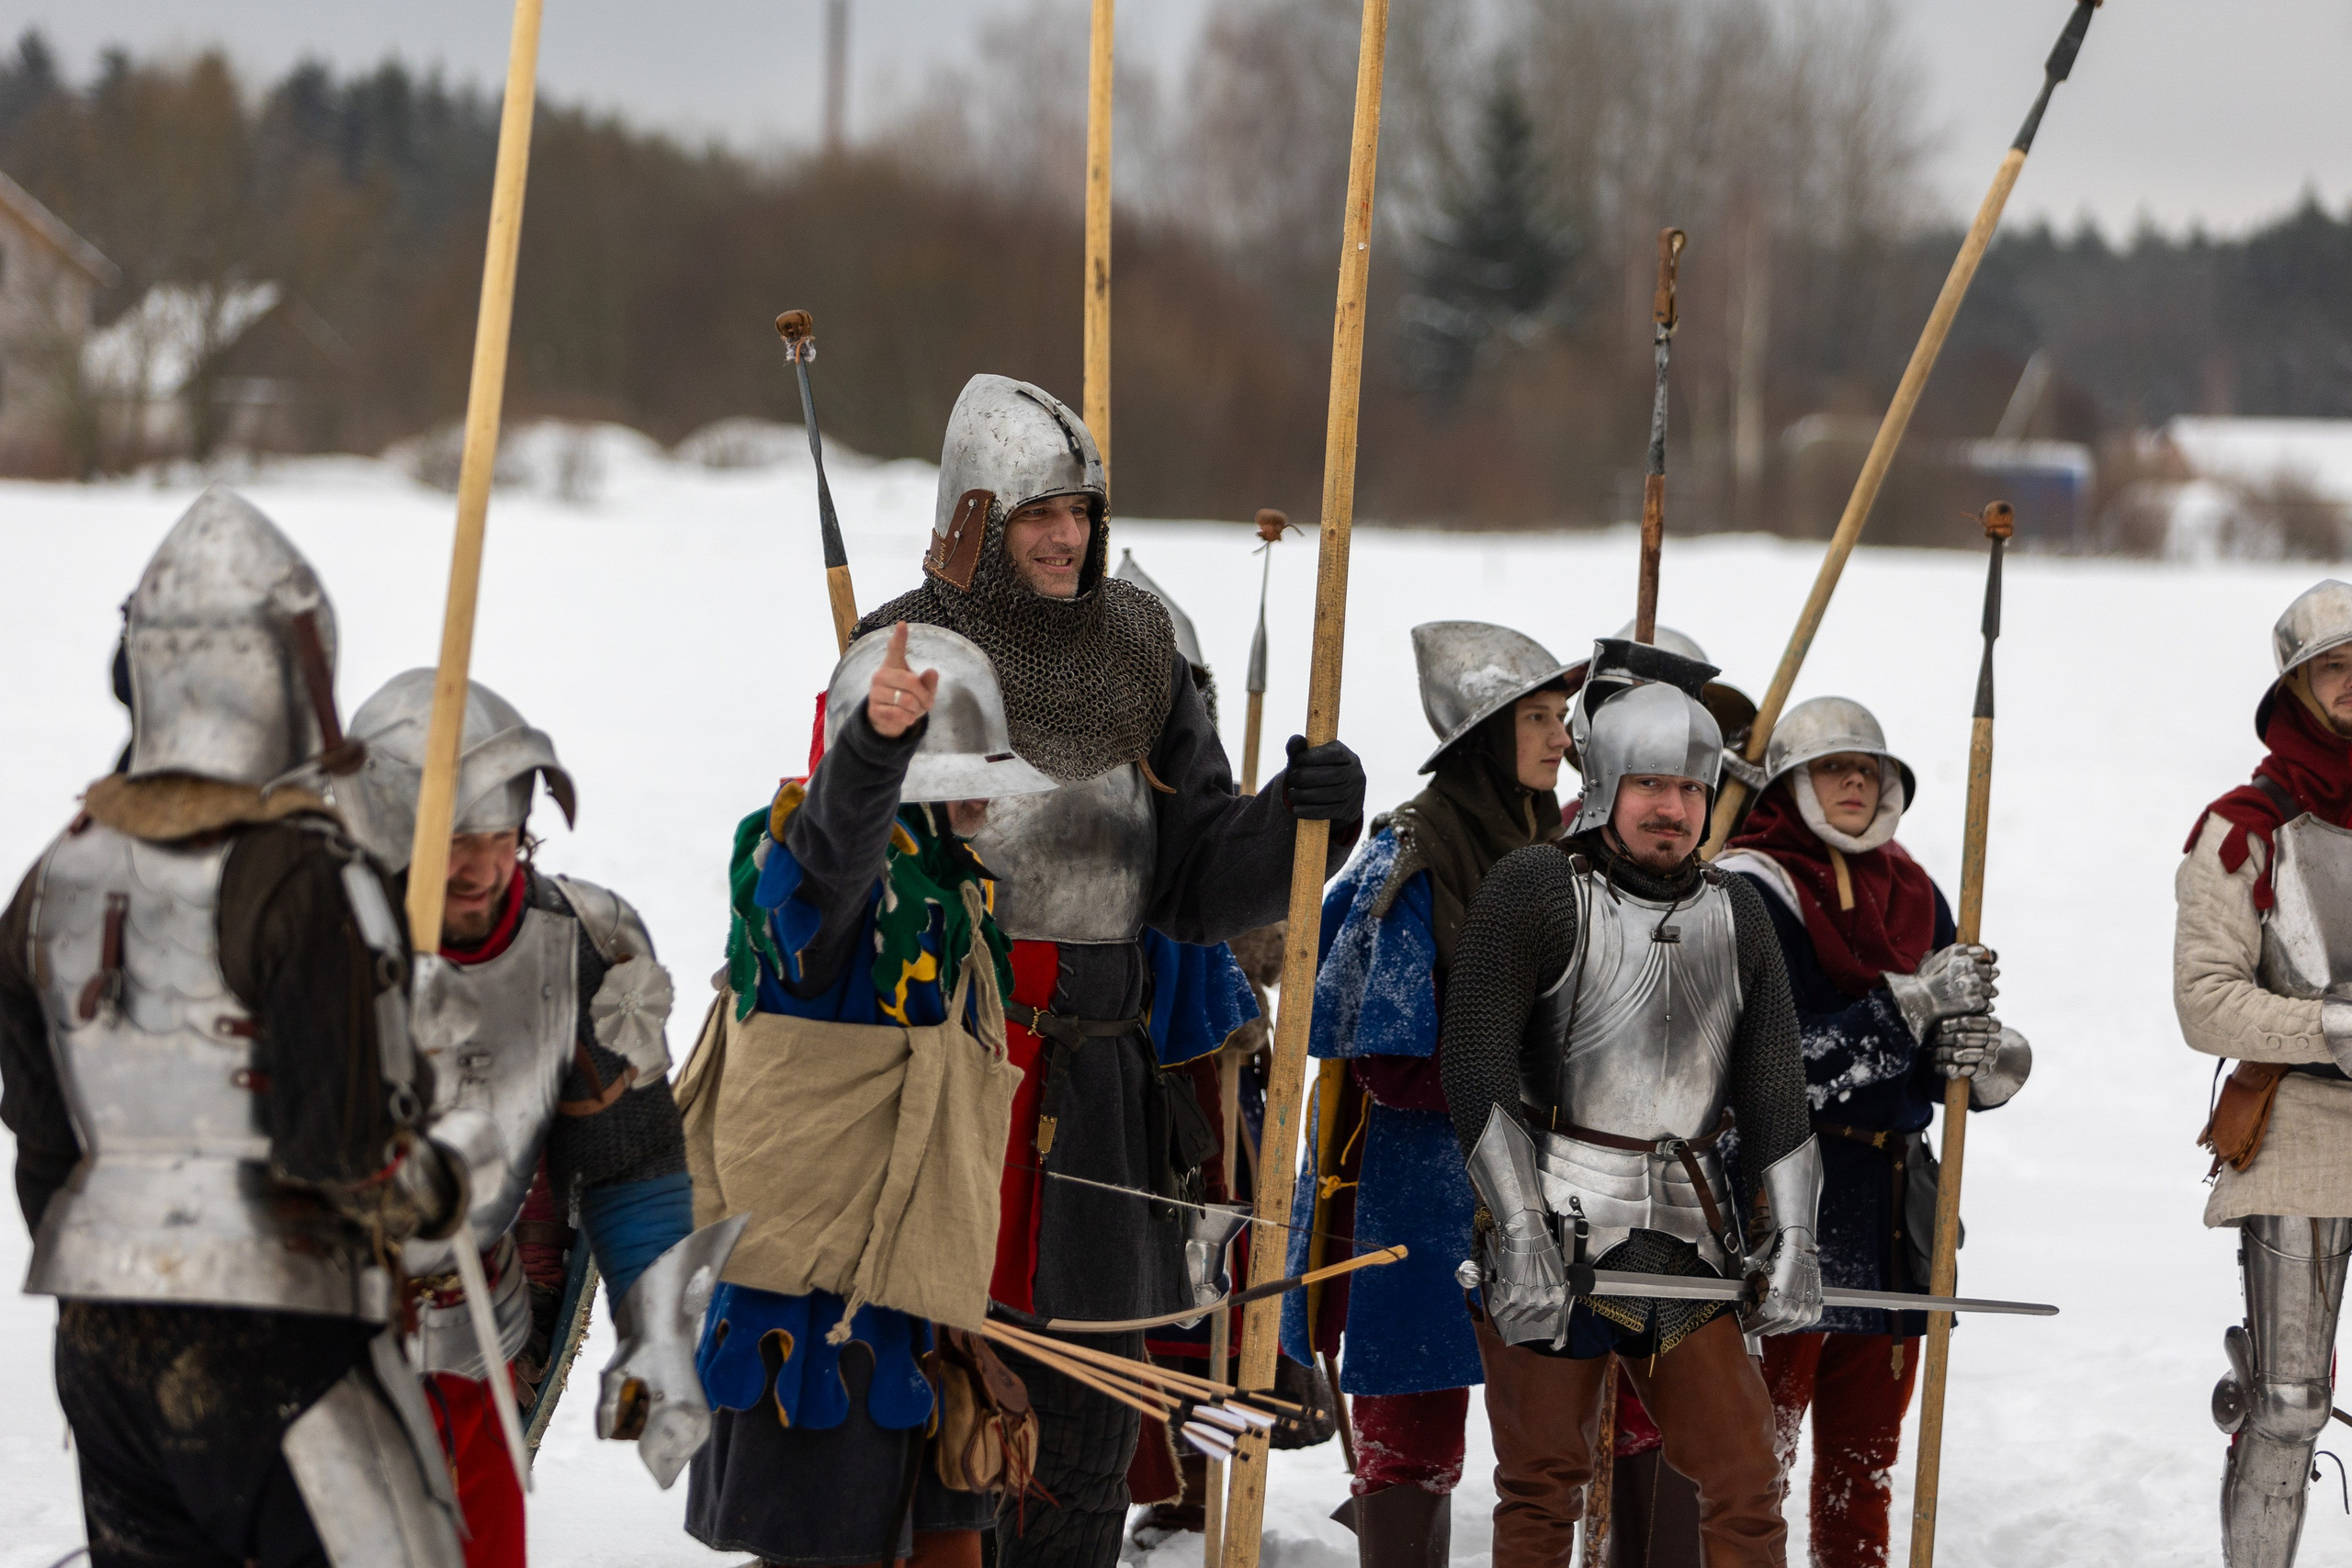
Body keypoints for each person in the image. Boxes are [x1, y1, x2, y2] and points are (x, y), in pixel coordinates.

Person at [854, 373, 1366, 1568]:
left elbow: (1196, 879)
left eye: (1082, 511)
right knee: (937, 1412)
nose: (1068, 535)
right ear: (974, 515)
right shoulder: (903, 650)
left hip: (1097, 1090)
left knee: (1085, 1421)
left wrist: (1302, 817)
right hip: (947, 1072)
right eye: (1040, 511)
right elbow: (837, 868)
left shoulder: (1141, 654)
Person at [0, 488, 501, 1568]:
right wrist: (447, 1160)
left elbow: (45, 1148)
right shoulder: (306, 875)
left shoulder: (55, 874)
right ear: (291, 669)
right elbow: (344, 1158)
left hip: (101, 1334)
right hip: (284, 1339)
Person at [1438, 641, 1822, 1568]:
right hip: (1557, 1224)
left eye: (1690, 790)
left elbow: (1776, 1086)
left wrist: (1797, 1242)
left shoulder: (1737, 911)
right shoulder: (1535, 886)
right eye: (1652, 785)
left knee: (1743, 1476)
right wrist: (1519, 1228)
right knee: (1539, 1486)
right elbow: (1475, 1058)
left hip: (1677, 1241)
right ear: (1607, 786)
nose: (1673, 808)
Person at [684, 620, 1058, 1568]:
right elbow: (826, 858)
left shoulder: (949, 887)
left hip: (917, 1289)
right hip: (815, 1311)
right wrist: (872, 755)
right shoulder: (827, 896)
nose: (985, 792)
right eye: (964, 767)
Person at [338, 670, 729, 1565]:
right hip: (306, 1334)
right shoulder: (298, 935)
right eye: (448, 836)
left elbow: (629, 1162)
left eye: (497, 833)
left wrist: (658, 1324)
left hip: (474, 1328)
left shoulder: (586, 945)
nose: (477, 863)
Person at [1280, 621, 1572, 1568]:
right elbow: (1385, 1060)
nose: (1561, 737)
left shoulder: (1574, 854)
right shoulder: (1405, 862)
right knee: (1411, 1441)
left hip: (1559, 1184)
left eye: (1562, 716)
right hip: (1423, 1186)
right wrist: (1519, 1058)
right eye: (1537, 717)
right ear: (1484, 732)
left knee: (1576, 1424)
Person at [1713, 696, 2024, 1567]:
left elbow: (1925, 1064)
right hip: (1778, 1210)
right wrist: (1907, 1008)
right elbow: (1773, 1069)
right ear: (1787, 783)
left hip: (1890, 1212)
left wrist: (1969, 1058)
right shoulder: (1745, 889)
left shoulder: (1920, 893)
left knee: (1864, 1470)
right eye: (1832, 767)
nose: (1856, 780)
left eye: (1870, 769)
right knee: (1749, 1470)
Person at [2178, 579, 2352, 1567]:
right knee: (2288, 1404)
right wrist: (2333, 1023)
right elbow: (2204, 1002)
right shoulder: (2240, 829)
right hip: (2297, 1127)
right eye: (2334, 668)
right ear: (2294, 688)